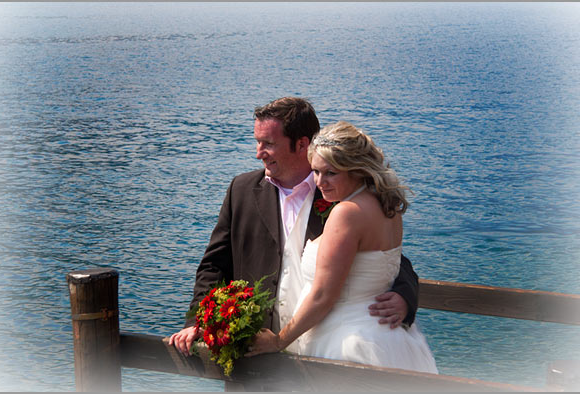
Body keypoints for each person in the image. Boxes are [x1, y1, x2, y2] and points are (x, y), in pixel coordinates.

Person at [168, 98, 420, 358]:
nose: (258, 152)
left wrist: (405, 296)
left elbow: (387, 257)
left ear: (302, 144)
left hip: (322, 346)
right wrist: (197, 323)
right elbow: (214, 265)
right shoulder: (241, 190)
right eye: (257, 141)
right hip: (255, 352)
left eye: (268, 144)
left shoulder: (342, 196)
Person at [245, 121, 437, 373]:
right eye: (316, 171)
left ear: (356, 169)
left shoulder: (346, 213)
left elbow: (324, 295)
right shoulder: (386, 206)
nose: (320, 182)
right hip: (390, 340)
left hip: (346, 342)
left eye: (331, 173)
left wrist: (280, 340)